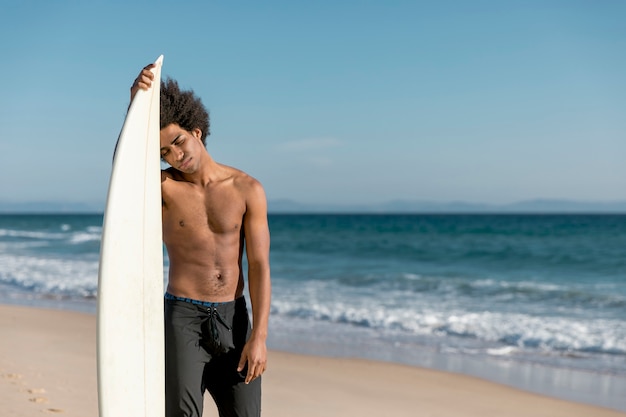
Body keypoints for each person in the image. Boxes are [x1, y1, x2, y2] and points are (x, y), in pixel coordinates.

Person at [129, 63, 271, 417]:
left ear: (197, 131)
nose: (176, 155)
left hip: (234, 318)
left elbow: (259, 266)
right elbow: (124, 171)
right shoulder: (163, 187)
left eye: (178, 142)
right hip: (182, 317)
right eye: (164, 152)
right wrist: (135, 106)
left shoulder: (247, 189)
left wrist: (260, 337)